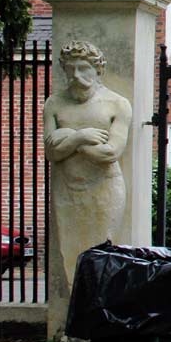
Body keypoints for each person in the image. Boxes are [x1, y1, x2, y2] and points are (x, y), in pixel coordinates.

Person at [44, 41, 131, 285]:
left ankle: (97, 315)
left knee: (100, 255)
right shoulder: (54, 103)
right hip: (67, 190)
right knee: (71, 257)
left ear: (98, 69)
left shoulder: (117, 104)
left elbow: (110, 152)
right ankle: (78, 317)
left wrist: (68, 139)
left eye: (83, 68)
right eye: (70, 69)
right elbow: (51, 153)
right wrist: (82, 137)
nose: (76, 76)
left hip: (104, 188)